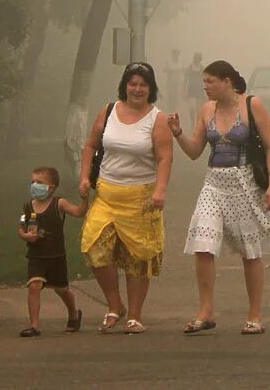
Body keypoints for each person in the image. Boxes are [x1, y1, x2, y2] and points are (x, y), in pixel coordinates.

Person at [168, 59, 270, 336]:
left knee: (250, 250)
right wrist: (178, 134)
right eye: (204, 82)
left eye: (211, 82)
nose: (206, 88)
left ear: (227, 82)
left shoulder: (251, 105)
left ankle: (254, 315)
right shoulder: (206, 110)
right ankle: (206, 311)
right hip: (214, 182)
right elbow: (195, 150)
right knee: (203, 243)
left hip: (244, 182)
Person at [78, 62, 173, 334]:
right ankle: (114, 305)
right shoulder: (109, 111)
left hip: (141, 198)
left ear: (150, 88)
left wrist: (160, 190)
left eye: (143, 84)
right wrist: (85, 177)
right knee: (94, 247)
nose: (137, 89)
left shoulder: (157, 119)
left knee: (138, 257)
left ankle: (134, 315)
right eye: (133, 83)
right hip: (107, 195)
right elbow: (91, 145)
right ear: (125, 86)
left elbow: (165, 157)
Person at [18, 166, 89, 337]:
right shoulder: (27, 208)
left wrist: (85, 200)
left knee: (62, 289)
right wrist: (26, 236)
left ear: (51, 187)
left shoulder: (59, 203)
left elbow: (78, 212)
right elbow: (21, 227)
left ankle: (74, 313)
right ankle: (34, 325)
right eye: (32, 182)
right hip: (36, 256)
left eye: (39, 182)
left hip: (55, 256)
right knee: (34, 286)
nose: (34, 185)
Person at [184, 51, 204, 128]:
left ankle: (197, 124)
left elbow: (205, 80)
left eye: (199, 58)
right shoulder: (189, 68)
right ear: (194, 58)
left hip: (199, 90)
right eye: (196, 58)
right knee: (192, 108)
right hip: (191, 89)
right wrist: (183, 89)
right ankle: (192, 123)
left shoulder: (202, 68)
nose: (197, 60)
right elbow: (185, 79)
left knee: (198, 109)